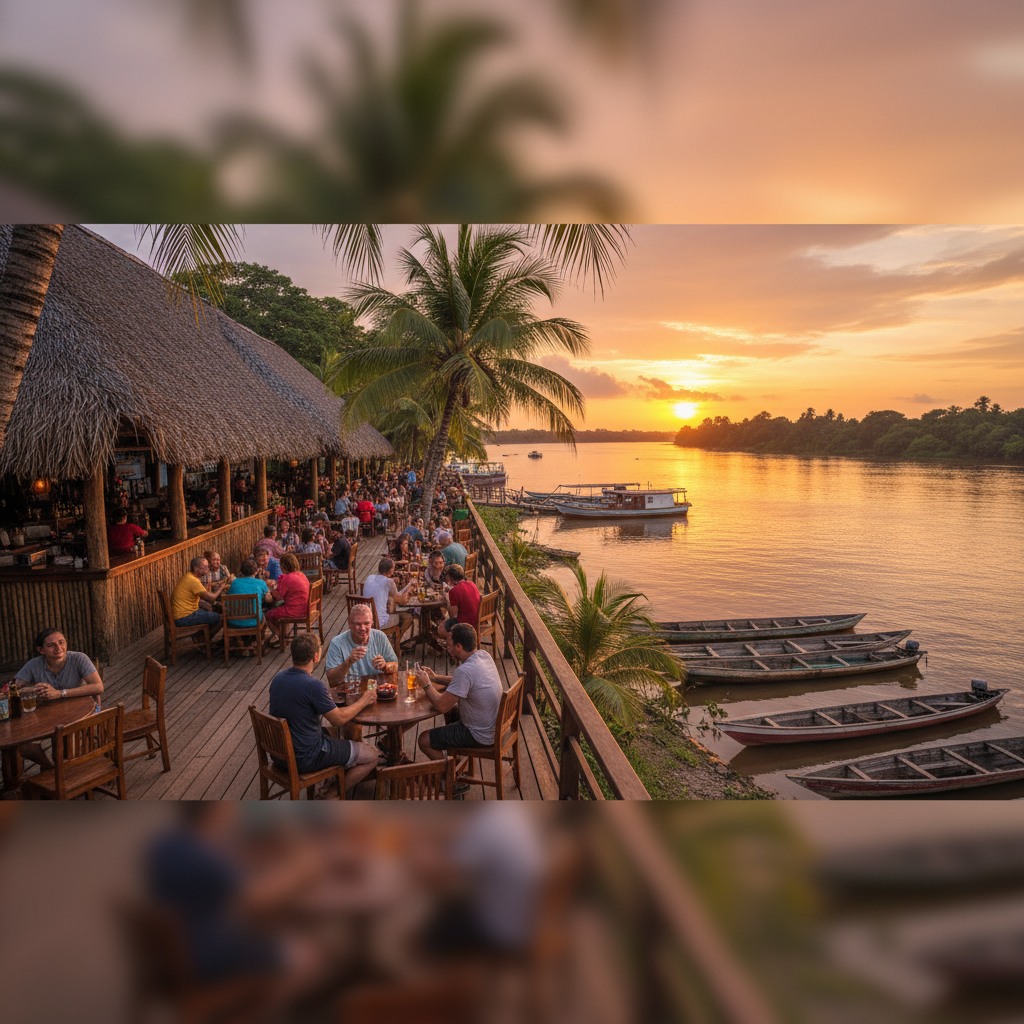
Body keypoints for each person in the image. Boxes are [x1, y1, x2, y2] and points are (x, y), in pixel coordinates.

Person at [268, 633, 380, 795]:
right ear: (315, 656)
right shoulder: (314, 685)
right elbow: (338, 719)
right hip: (305, 757)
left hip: (280, 755)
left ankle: (332, 778)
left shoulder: (278, 678)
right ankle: (332, 794)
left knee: (334, 735)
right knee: (371, 755)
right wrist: (365, 699)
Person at [15, 627, 105, 769]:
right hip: (47, 715)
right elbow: (15, 686)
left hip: (80, 712)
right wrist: (29, 689)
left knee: (63, 749)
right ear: (41, 650)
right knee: (25, 746)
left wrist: (60, 693)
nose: (58, 648)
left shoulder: (78, 658)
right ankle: (53, 771)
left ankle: (62, 773)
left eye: (61, 642)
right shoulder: (34, 664)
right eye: (51, 645)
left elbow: (98, 687)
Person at [416, 624, 502, 761]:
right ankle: (455, 761)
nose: (447, 648)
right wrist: (435, 678)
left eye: (449, 644)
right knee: (451, 712)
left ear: (459, 646)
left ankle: (449, 779)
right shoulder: (483, 655)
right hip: (494, 728)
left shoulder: (464, 671)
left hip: (479, 735)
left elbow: (441, 706)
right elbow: (461, 681)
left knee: (424, 740)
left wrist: (426, 684)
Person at [324, 602, 398, 682]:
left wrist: (385, 667)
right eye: (358, 624)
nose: (362, 628)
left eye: (366, 623)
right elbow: (331, 679)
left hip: (376, 688)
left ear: (372, 623)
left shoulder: (380, 636)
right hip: (349, 691)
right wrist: (348, 662)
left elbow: (396, 665)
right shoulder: (336, 643)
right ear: (350, 623)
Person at [362, 557, 416, 640]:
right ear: (391, 571)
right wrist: (410, 585)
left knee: (393, 611)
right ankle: (396, 642)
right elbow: (400, 600)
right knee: (408, 617)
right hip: (379, 622)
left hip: (365, 619)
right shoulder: (389, 582)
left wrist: (408, 584)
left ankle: (392, 640)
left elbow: (393, 592)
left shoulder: (370, 577)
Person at [225, 559, 271, 654]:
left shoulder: (235, 583)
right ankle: (258, 643)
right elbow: (268, 599)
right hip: (254, 621)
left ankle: (240, 644)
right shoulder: (261, 583)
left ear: (241, 571)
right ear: (256, 571)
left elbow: (228, 600)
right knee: (265, 615)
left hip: (234, 621)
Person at [265, 554, 310, 648]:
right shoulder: (301, 574)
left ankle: (281, 637)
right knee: (279, 608)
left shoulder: (288, 578)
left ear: (283, 566)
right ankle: (284, 635)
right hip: (306, 607)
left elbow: (279, 596)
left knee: (268, 615)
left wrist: (270, 591)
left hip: (295, 610)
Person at [172, 556, 224, 632]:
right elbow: (212, 598)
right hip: (184, 618)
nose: (208, 569)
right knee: (221, 617)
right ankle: (203, 640)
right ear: (196, 569)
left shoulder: (189, 576)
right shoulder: (193, 581)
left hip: (182, 614)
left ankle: (201, 636)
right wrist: (221, 587)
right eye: (205, 567)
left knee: (208, 607)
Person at [437, 564, 480, 642]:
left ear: (450, 578)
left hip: (465, 626)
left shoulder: (454, 591)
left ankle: (456, 646)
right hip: (477, 621)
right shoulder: (472, 584)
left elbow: (453, 616)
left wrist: (448, 599)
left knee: (440, 628)